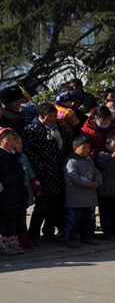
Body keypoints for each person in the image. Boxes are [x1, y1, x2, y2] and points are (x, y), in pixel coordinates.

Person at [23, 103, 69, 243]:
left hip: (58, 173)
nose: (53, 118)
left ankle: (49, 233)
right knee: (42, 206)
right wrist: (40, 168)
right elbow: (29, 152)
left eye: (55, 115)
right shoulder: (31, 130)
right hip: (41, 174)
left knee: (55, 205)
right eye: (50, 116)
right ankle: (33, 235)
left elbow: (66, 145)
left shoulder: (59, 128)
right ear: (41, 116)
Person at [63, 136, 102, 248]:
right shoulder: (71, 161)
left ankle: (88, 236)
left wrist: (98, 181)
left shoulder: (90, 160)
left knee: (89, 219)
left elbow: (97, 172)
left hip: (90, 197)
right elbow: (72, 176)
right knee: (74, 219)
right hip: (76, 197)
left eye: (88, 147)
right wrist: (88, 183)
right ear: (75, 148)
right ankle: (69, 238)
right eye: (84, 147)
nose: (87, 150)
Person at [0, 128, 27, 255]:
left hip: (15, 192)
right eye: (8, 140)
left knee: (13, 218)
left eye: (13, 140)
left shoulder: (14, 155)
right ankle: (2, 245)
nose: (11, 143)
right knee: (3, 219)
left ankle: (12, 242)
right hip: (4, 193)